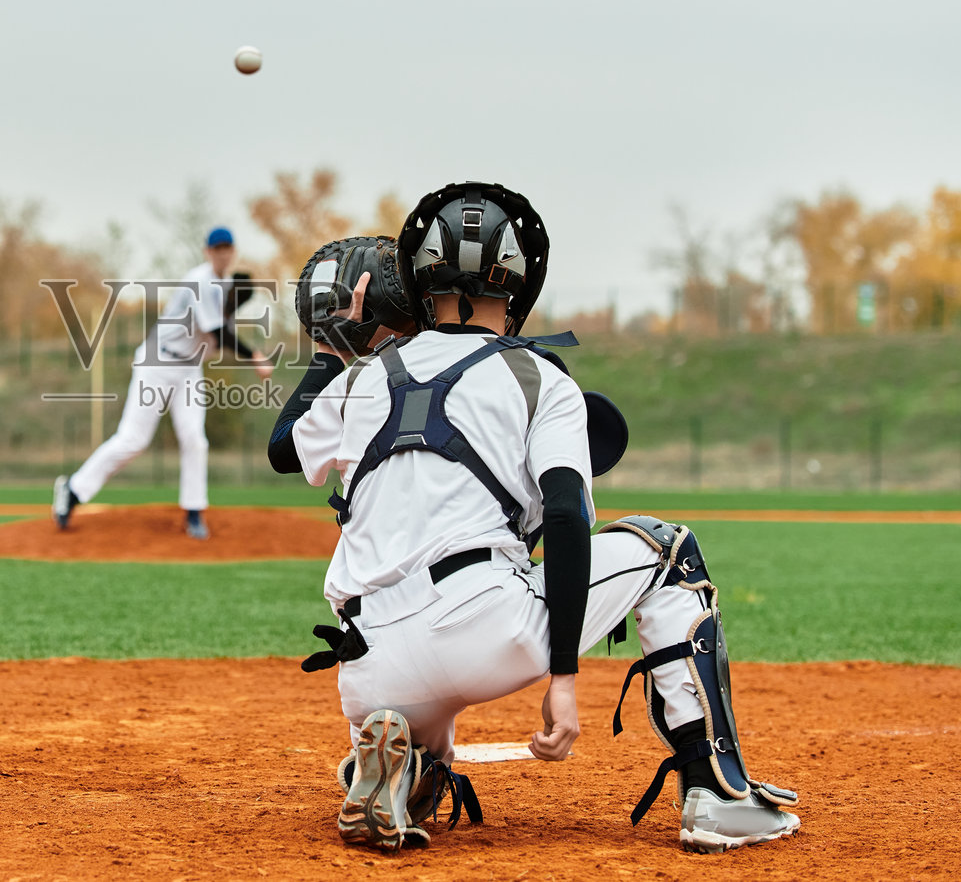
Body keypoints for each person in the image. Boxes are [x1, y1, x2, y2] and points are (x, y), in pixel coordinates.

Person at [267, 182, 800, 854]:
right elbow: (569, 520)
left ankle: (407, 767)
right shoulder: (539, 376)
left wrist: (331, 347)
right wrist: (564, 679)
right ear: (521, 282)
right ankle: (717, 791)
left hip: (367, 665)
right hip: (486, 629)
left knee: (412, 690)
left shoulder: (365, 376)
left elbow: (284, 447)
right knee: (668, 549)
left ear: (418, 279)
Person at [54, 226, 273, 539]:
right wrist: (255, 355)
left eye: (227, 248)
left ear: (233, 251)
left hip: (188, 370)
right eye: (217, 248)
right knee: (133, 439)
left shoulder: (224, 289)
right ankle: (72, 491)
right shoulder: (201, 282)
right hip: (157, 363)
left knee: (194, 438)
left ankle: (194, 512)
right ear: (207, 252)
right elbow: (219, 335)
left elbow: (215, 335)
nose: (223, 253)